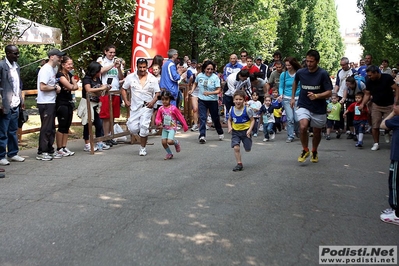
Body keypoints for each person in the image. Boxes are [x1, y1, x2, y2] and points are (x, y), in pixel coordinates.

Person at [290, 49, 333, 163]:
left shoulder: (323, 74)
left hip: (318, 106)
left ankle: (314, 150)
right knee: (303, 126)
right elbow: (295, 82)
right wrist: (293, 97)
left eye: (311, 61)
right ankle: (305, 149)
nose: (309, 64)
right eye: (307, 61)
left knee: (317, 131)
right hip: (304, 104)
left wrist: (317, 96)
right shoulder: (301, 72)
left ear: (317, 61)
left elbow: (329, 92)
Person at [121, 58, 160, 156]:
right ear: (136, 67)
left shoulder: (152, 79)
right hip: (135, 107)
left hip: (147, 106)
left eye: (144, 67)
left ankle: (143, 148)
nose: (142, 69)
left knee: (144, 127)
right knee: (132, 128)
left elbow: (157, 93)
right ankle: (143, 135)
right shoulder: (130, 77)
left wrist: (153, 101)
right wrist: (126, 100)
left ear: (147, 67)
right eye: (140, 67)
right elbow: (123, 89)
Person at [359, 65, 399, 150]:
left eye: (370, 75)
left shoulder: (387, 78)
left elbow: (396, 88)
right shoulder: (369, 81)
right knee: (375, 125)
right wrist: (363, 104)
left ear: (376, 73)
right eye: (368, 75)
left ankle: (387, 132)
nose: (369, 77)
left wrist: (396, 102)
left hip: (389, 105)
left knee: (388, 125)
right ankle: (376, 143)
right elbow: (367, 94)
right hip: (376, 105)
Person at [36, 48, 66, 161]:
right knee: (46, 128)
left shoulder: (53, 69)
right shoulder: (45, 70)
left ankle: (49, 150)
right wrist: (54, 88)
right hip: (45, 102)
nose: (61, 58)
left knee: (52, 128)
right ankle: (42, 151)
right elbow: (42, 87)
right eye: (59, 56)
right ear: (52, 56)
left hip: (51, 101)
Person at [0, 44, 25, 171]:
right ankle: (1, 156)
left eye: (18, 53)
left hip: (15, 102)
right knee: (3, 131)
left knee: (12, 130)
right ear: (8, 53)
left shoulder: (17, 67)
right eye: (15, 53)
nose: (17, 55)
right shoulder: (2, 66)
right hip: (5, 103)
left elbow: (18, 84)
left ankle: (13, 153)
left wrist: (21, 98)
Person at [97, 44, 124, 147]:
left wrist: (119, 68)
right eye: (110, 52)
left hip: (116, 91)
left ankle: (110, 135)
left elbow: (121, 76)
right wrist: (112, 65)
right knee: (106, 116)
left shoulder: (117, 62)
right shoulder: (101, 60)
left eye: (114, 52)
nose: (112, 54)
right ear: (105, 52)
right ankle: (105, 136)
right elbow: (100, 71)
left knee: (113, 116)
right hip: (106, 92)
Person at [81, 62, 111, 152]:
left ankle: (99, 141)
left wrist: (106, 88)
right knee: (87, 123)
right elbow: (88, 90)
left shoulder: (97, 78)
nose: (100, 73)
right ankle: (87, 143)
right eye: (98, 71)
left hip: (96, 103)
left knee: (98, 123)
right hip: (87, 103)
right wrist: (101, 88)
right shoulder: (86, 79)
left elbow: (100, 88)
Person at [192, 60, 224, 143]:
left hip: (213, 100)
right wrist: (192, 90)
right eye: (207, 69)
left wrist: (209, 93)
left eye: (211, 69)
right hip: (202, 100)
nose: (209, 71)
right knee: (202, 118)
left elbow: (218, 90)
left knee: (215, 118)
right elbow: (195, 83)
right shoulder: (200, 76)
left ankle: (220, 131)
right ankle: (202, 135)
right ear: (204, 69)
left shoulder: (215, 77)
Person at [379, 102, 399, 226]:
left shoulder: (396, 120)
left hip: (397, 157)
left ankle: (397, 212)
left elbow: (382, 125)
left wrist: (392, 113)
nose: (394, 106)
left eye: (396, 105)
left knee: (395, 183)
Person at [54, 56, 79, 157]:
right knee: (62, 125)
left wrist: (72, 85)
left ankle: (64, 146)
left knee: (67, 125)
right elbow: (71, 86)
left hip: (69, 102)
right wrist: (71, 86)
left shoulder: (69, 74)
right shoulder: (60, 75)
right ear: (63, 64)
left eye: (71, 64)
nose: (70, 66)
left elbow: (75, 87)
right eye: (68, 64)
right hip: (61, 103)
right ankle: (59, 147)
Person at [155, 91, 188, 160]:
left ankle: (176, 142)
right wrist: (158, 122)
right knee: (163, 142)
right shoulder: (161, 109)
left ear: (170, 99)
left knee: (169, 141)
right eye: (163, 99)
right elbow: (158, 118)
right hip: (164, 127)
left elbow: (180, 117)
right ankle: (169, 153)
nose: (164, 101)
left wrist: (184, 125)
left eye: (166, 99)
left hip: (172, 128)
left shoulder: (173, 108)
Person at [228, 90, 254, 172]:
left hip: (246, 132)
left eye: (240, 99)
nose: (238, 101)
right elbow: (229, 120)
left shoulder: (247, 110)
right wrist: (229, 127)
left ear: (244, 100)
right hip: (235, 132)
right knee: (236, 148)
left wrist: (249, 130)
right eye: (236, 99)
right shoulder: (231, 109)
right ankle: (239, 164)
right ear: (233, 100)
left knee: (248, 149)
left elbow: (252, 120)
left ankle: (248, 144)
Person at [278, 56, 302, 143]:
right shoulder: (283, 75)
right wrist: (281, 94)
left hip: (298, 98)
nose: (288, 67)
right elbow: (281, 86)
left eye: (290, 65)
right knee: (290, 118)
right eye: (286, 65)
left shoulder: (299, 73)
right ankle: (290, 136)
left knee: (296, 119)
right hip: (287, 99)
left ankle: (296, 130)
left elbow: (302, 86)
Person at [345, 75, 366, 139]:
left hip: (359, 100)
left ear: (354, 83)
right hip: (350, 99)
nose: (348, 86)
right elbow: (345, 92)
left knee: (357, 116)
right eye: (347, 85)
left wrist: (363, 103)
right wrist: (343, 98)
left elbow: (366, 94)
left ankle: (358, 131)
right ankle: (352, 132)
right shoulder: (346, 85)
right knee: (349, 117)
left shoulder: (361, 85)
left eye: (349, 85)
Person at [187, 63, 202, 131]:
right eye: (198, 69)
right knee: (195, 109)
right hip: (194, 94)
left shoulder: (205, 76)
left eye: (201, 69)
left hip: (202, 94)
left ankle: (202, 123)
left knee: (202, 109)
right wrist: (188, 94)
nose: (200, 71)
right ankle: (195, 124)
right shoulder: (193, 76)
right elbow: (189, 85)